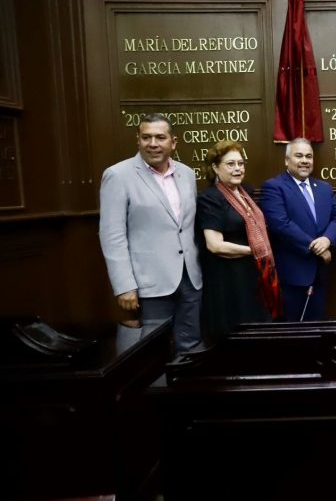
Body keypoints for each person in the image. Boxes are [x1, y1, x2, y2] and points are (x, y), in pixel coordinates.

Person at [98, 113, 203, 354]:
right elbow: (112, 235)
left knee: (190, 345)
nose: (153, 143)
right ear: (138, 140)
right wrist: (124, 285)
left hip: (190, 279)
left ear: (173, 142)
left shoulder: (186, 173)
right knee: (151, 353)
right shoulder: (118, 175)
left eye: (159, 137)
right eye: (146, 137)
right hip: (149, 283)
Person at [196, 140, 281, 342]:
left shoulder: (247, 191)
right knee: (238, 335)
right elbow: (214, 245)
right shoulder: (210, 198)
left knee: (259, 332)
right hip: (229, 280)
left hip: (254, 275)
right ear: (215, 167)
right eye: (230, 164)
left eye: (241, 164)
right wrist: (255, 251)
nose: (237, 169)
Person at [260, 138, 336, 321]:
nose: (305, 160)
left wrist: (327, 240)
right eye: (299, 156)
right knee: (294, 334)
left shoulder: (324, 188)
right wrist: (317, 249)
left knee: (317, 331)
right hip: (292, 275)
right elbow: (280, 224)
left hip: (320, 275)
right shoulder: (274, 187)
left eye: (309, 156)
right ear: (286, 160)